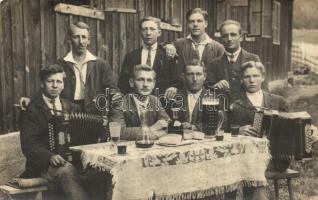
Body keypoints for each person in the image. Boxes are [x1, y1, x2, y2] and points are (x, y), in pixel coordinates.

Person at [19, 64, 90, 200]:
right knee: (66, 171)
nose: (55, 85)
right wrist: (50, 156)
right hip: (42, 166)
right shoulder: (31, 110)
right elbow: (28, 144)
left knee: (95, 171)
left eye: (59, 81)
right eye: (50, 81)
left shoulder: (72, 107)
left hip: (71, 160)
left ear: (63, 85)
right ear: (42, 84)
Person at [20, 21, 118, 113]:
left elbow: (112, 90)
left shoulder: (101, 64)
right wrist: (31, 99)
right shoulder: (61, 64)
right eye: (76, 37)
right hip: (68, 111)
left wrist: (100, 101)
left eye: (84, 37)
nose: (81, 41)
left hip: (94, 112)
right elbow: (48, 86)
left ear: (89, 40)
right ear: (69, 39)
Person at [227, 61, 288, 200]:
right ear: (242, 79)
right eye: (247, 77)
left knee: (254, 168)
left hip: (276, 159)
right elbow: (223, 129)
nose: (252, 80)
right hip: (242, 158)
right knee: (252, 168)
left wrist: (312, 129)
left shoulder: (278, 101)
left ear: (263, 77)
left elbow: (295, 122)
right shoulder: (235, 103)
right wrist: (237, 131)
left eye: (255, 75)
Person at [118, 16, 181, 99]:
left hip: (162, 104)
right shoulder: (131, 56)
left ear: (159, 32)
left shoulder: (168, 54)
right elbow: (123, 84)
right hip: (137, 104)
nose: (148, 33)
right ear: (140, 32)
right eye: (144, 29)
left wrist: (174, 88)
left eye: (152, 29)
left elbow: (177, 81)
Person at [207, 20, 261, 103]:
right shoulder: (214, 63)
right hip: (224, 111)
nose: (229, 39)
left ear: (241, 37)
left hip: (247, 109)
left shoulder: (253, 59)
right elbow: (207, 89)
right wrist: (215, 87)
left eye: (233, 35)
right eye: (225, 36)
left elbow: (263, 89)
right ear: (221, 39)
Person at [111, 64, 170, 141]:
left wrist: (158, 133)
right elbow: (119, 132)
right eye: (141, 80)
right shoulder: (119, 102)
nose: (145, 85)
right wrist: (152, 129)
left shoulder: (155, 100)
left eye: (149, 80)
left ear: (153, 84)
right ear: (131, 82)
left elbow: (166, 123)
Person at [169, 59, 212, 131]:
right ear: (184, 76)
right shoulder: (175, 98)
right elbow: (169, 123)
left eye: (198, 74)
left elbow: (219, 123)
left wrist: (193, 127)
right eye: (190, 74)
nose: (195, 79)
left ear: (204, 77)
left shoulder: (212, 98)